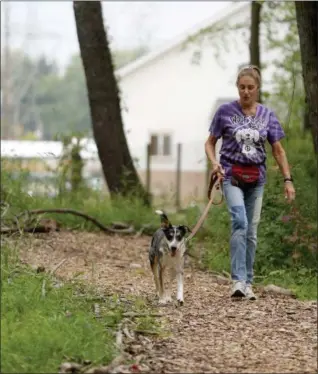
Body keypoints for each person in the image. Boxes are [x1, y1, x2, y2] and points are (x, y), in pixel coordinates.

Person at [205, 65, 295, 300]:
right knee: (239, 222)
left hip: (257, 179)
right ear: (237, 87)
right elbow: (210, 142)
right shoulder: (225, 111)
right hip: (231, 174)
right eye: (242, 87)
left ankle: (248, 283)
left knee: (251, 232)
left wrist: (288, 180)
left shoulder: (268, 115)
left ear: (257, 89)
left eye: (250, 87)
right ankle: (237, 281)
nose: (246, 92)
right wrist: (215, 163)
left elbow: (278, 150)